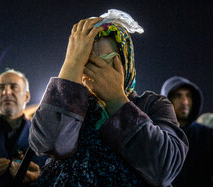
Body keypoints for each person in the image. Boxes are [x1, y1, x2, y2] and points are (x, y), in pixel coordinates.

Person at [29, 9, 188, 186]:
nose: (91, 72)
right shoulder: (72, 107)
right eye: (84, 62)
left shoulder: (152, 104)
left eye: (102, 62)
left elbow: (164, 169)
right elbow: (51, 143)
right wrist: (72, 63)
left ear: (124, 61)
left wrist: (117, 100)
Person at [161, 76, 213, 186]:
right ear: (166, 100)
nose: (185, 101)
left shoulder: (209, 136)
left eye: (189, 96)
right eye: (178, 96)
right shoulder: (156, 135)